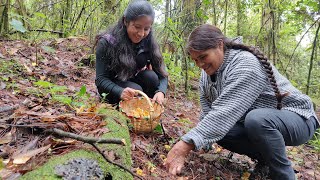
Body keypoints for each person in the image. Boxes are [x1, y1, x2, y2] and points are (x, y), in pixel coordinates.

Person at [164, 24, 319, 180]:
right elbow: (208, 114)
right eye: (195, 60)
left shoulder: (245, 65)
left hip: (299, 118)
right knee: (221, 132)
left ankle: (283, 174)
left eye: (203, 57)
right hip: (264, 121)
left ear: (220, 45)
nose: (200, 64)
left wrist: (184, 146)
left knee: (257, 119)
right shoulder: (206, 75)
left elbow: (223, 113)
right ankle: (265, 160)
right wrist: (202, 143)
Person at [95, 0, 168, 105]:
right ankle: (123, 112)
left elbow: (162, 74)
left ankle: (149, 112)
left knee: (151, 77)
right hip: (111, 87)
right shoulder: (107, 42)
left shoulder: (148, 42)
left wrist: (161, 91)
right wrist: (119, 92)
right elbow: (101, 80)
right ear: (125, 21)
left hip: (131, 79)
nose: (141, 34)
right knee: (136, 90)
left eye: (146, 29)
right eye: (137, 27)